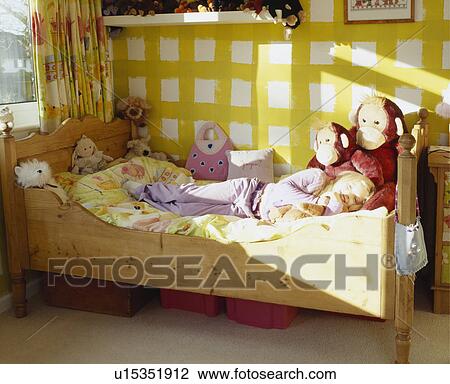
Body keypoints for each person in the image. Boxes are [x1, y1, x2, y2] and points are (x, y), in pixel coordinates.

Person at [122, 168, 375, 221]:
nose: (350, 199)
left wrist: (331, 210)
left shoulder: (330, 210)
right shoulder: (318, 178)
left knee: (187, 212)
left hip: (247, 213)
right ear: (346, 180)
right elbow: (284, 187)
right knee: (192, 193)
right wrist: (316, 202)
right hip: (248, 190)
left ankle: (148, 203)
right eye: (352, 191)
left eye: (355, 203)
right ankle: (146, 189)